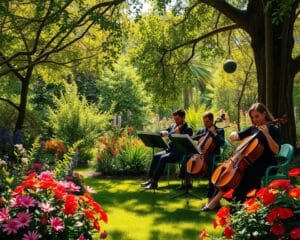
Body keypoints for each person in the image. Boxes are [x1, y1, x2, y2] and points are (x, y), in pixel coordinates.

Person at [201, 103, 281, 211]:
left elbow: (276, 150)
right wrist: (234, 134)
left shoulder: (273, 129)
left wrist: (266, 134)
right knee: (221, 171)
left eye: (257, 116)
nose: (255, 119)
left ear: (264, 114)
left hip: (266, 163)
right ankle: (214, 201)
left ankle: (242, 204)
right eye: (252, 117)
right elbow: (238, 135)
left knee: (244, 174)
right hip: (249, 162)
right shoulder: (253, 129)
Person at [178, 112, 225, 206]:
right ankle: (185, 182)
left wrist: (214, 133)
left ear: (212, 120)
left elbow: (222, 143)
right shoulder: (202, 130)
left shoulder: (219, 130)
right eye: (204, 121)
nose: (205, 124)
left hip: (213, 154)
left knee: (210, 161)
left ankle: (210, 186)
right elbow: (194, 138)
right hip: (201, 153)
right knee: (187, 156)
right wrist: (188, 139)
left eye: (207, 121)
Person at [141, 109, 193, 190]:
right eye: (175, 119)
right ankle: (151, 179)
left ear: (183, 117)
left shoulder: (188, 129)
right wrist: (162, 133)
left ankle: (154, 182)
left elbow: (185, 144)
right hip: (170, 150)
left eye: (178, 119)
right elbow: (165, 131)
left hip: (180, 153)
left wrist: (176, 134)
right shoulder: (173, 126)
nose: (176, 121)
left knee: (163, 158)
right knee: (156, 156)